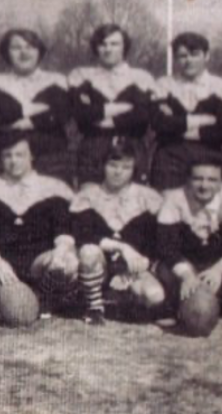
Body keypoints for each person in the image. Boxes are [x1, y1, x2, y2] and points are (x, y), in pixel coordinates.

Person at [0, 134, 78, 316]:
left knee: (67, 263)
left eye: (20, 155)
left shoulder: (52, 186)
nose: (13, 161)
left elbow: (63, 231)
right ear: (0, 158)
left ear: (31, 156)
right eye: (7, 155)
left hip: (39, 260)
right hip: (2, 258)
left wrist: (59, 254)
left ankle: (44, 300)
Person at [71, 139, 166, 325]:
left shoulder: (148, 197)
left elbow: (161, 239)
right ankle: (94, 307)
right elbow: (83, 236)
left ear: (134, 170)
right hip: (98, 266)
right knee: (88, 251)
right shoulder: (87, 195)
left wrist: (144, 262)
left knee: (155, 296)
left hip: (133, 269)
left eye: (126, 167)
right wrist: (123, 248)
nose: (118, 172)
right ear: (103, 165)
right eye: (112, 165)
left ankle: (123, 300)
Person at [155, 155, 222, 314]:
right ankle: (178, 303)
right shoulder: (174, 199)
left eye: (212, 180)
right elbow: (165, 246)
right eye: (198, 179)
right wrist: (186, 274)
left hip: (220, 263)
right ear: (187, 180)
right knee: (164, 271)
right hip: (187, 261)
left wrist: (219, 269)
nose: (204, 185)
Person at [0, 29, 71, 183]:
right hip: (6, 161)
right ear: (6, 52)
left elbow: (61, 115)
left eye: (30, 47)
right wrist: (39, 114)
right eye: (16, 48)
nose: (24, 52)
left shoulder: (57, 81)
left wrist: (18, 119)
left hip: (52, 161)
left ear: (39, 51)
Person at [69, 23, 156, 184]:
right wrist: (119, 108)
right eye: (102, 44)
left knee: (131, 202)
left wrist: (98, 114)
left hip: (132, 146)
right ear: (96, 47)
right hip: (93, 146)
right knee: (91, 199)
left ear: (125, 47)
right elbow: (80, 115)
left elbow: (142, 117)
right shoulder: (81, 76)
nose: (108, 49)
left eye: (114, 44)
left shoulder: (141, 77)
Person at [150, 32, 222, 191]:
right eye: (182, 56)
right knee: (167, 209)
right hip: (169, 157)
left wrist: (176, 124)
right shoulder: (163, 85)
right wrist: (201, 120)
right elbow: (159, 124)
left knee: (206, 210)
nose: (188, 61)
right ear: (175, 58)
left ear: (207, 56)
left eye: (195, 54)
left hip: (209, 156)